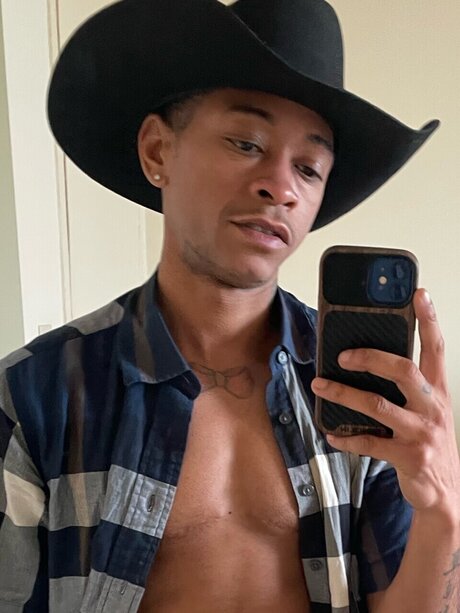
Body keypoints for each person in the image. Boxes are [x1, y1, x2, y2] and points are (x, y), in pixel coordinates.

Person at [0, 0, 459, 611]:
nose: (282, 187)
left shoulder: (360, 392)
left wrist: (443, 509)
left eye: (309, 168)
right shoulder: (37, 395)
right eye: (247, 142)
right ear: (157, 151)